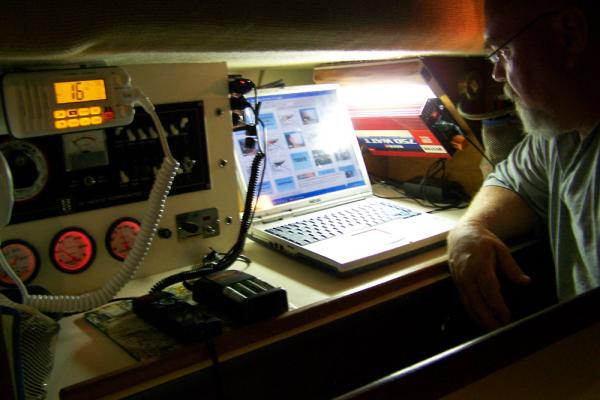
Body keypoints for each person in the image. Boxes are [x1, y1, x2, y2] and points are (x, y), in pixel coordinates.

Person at [447, 0, 599, 330]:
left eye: (502, 52)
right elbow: (510, 182)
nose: (497, 73)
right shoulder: (562, 134)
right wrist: (469, 228)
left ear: (569, 36)